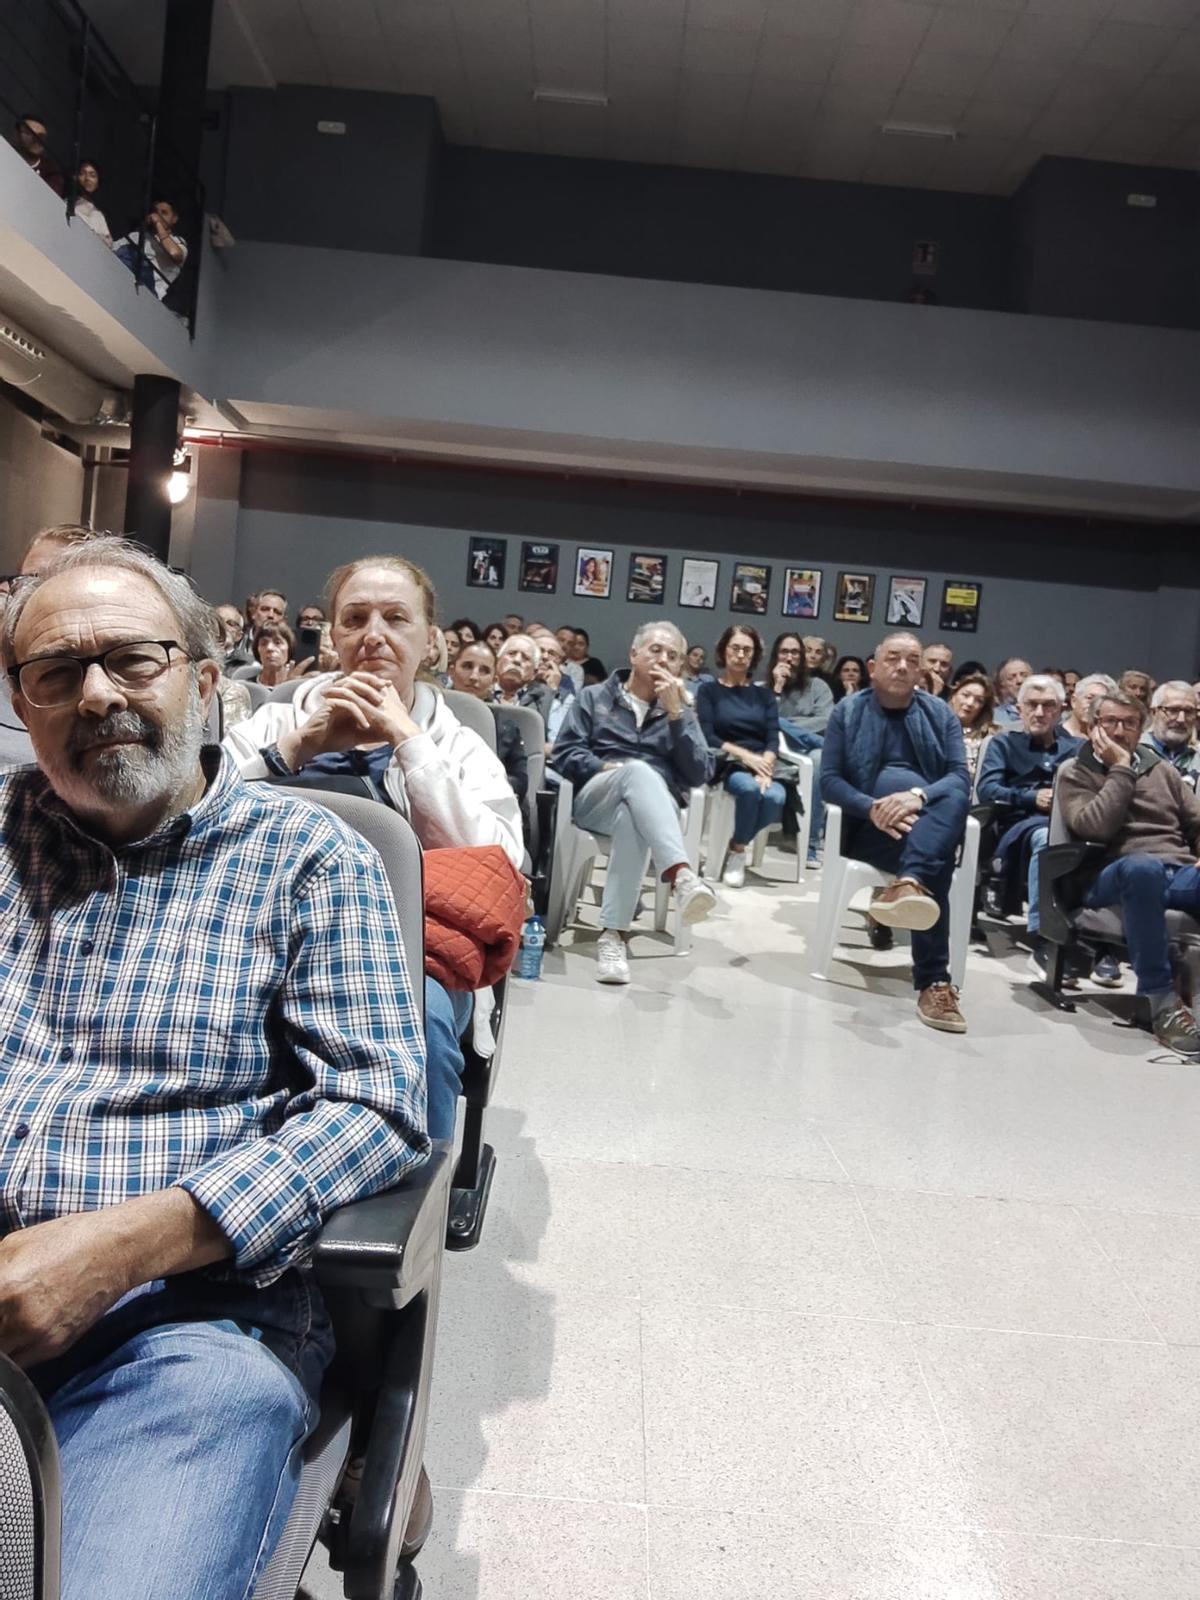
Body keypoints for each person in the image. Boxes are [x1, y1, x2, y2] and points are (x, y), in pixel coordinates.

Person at [0, 536, 428, 1596]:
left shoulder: (312, 858)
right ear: (22, 704)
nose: (95, 695)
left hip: (184, 1329)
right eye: (55, 673)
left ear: (203, 678)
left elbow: (376, 1102)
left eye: (131, 661)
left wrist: (122, 1244)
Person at [223, 556, 523, 1142]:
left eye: (396, 618)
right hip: (261, 934)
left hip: (410, 952)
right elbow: (192, 815)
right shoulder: (275, 721)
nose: (374, 635)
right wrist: (294, 749)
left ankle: (413, 1215)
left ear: (430, 641)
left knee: (422, 1031)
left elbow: (501, 865)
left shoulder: (455, 745)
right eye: (355, 619)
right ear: (333, 636)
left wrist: (411, 747)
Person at [821, 631, 971, 1033]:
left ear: (922, 670)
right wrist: (871, 807)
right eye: (892, 658)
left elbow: (959, 775)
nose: (902, 666)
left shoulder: (940, 714)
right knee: (933, 860)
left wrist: (918, 796)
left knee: (954, 796)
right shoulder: (848, 712)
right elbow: (830, 781)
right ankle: (934, 981)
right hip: (868, 831)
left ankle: (908, 882)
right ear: (873, 667)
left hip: (925, 822)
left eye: (911, 659)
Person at [551, 621, 716, 984]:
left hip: (656, 811)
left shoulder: (682, 709)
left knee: (633, 818)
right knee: (637, 772)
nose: (663, 659)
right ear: (633, 654)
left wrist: (677, 717)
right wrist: (605, 766)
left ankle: (612, 937)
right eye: (655, 650)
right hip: (597, 797)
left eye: (673, 656)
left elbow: (700, 773)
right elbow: (564, 753)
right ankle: (682, 876)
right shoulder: (594, 698)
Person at [1059, 688, 1200, 1056]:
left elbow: (1198, 822)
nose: (1120, 731)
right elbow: (1095, 827)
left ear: (1142, 727)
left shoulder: (1163, 771)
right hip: (1110, 875)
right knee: (1142, 868)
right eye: (1111, 722)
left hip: (1175, 871)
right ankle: (1161, 1002)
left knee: (1154, 870)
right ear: (1093, 726)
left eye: (1130, 723)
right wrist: (1120, 768)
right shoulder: (1077, 771)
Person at [976, 675, 1081, 956]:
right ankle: (1044, 931)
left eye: (1048, 706)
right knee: (1046, 840)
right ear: (1019, 708)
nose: (1039, 713)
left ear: (1061, 709)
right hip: (1017, 823)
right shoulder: (1003, 744)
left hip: (1069, 821)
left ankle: (1091, 937)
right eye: (1032, 705)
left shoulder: (1077, 749)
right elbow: (987, 789)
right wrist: (1030, 797)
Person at [696, 627, 787, 887]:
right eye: (735, 648)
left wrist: (766, 762)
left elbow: (772, 734)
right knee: (748, 790)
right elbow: (709, 735)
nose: (740, 654)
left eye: (747, 650)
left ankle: (737, 845)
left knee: (776, 797)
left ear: (754, 656)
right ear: (724, 651)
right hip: (728, 761)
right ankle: (737, 855)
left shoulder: (764, 695)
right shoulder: (709, 691)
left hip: (762, 764)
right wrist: (748, 758)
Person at [767, 632, 833, 862]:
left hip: (807, 751)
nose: (790, 657)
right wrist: (777, 687)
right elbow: (763, 723)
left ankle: (811, 844)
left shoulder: (818, 687)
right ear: (776, 655)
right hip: (775, 751)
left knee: (818, 759)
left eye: (795, 652)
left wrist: (785, 724)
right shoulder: (762, 687)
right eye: (784, 652)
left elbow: (826, 720)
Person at [115, 198, 188, 301]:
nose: (158, 216)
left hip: (150, 288)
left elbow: (175, 253)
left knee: (137, 256)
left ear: (174, 218)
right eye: (156, 212)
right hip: (127, 271)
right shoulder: (139, 235)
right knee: (126, 250)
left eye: (164, 213)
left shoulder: (178, 241)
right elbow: (114, 249)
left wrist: (158, 223)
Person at [1142, 681, 1200, 783]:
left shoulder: (1197, 759)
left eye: (1189, 711)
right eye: (1173, 710)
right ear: (1154, 713)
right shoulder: (1133, 752)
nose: (1181, 719)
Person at [493, 633, 554, 726]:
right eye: (511, 653)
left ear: (534, 673)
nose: (517, 660)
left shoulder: (544, 699)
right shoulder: (479, 688)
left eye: (525, 658)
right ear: (497, 661)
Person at [947, 672, 996, 779]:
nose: (970, 703)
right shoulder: (935, 727)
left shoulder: (989, 736)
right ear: (954, 695)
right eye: (965, 695)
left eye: (979, 700)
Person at [11, 114, 64, 195]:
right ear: (16, 135)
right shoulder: (5, 155)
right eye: (29, 133)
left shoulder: (52, 174)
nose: (36, 139)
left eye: (41, 136)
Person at [1062, 672, 1118, 739]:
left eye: (1101, 701)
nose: (1094, 704)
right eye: (1089, 698)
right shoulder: (1055, 736)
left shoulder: (1109, 740)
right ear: (1074, 701)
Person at [72, 160, 111, 244]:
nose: (87, 179)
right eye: (82, 174)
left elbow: (109, 242)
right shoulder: (68, 204)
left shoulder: (101, 212)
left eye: (92, 175)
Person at [252, 622, 298, 690]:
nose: (269, 648)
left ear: (290, 648)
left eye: (277, 643)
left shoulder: (299, 688)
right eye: (263, 643)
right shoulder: (247, 687)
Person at [992, 657, 1032, 726]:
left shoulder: (1046, 711)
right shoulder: (994, 717)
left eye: (1024, 675)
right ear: (1003, 684)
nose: (1019, 681)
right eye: (1011, 678)